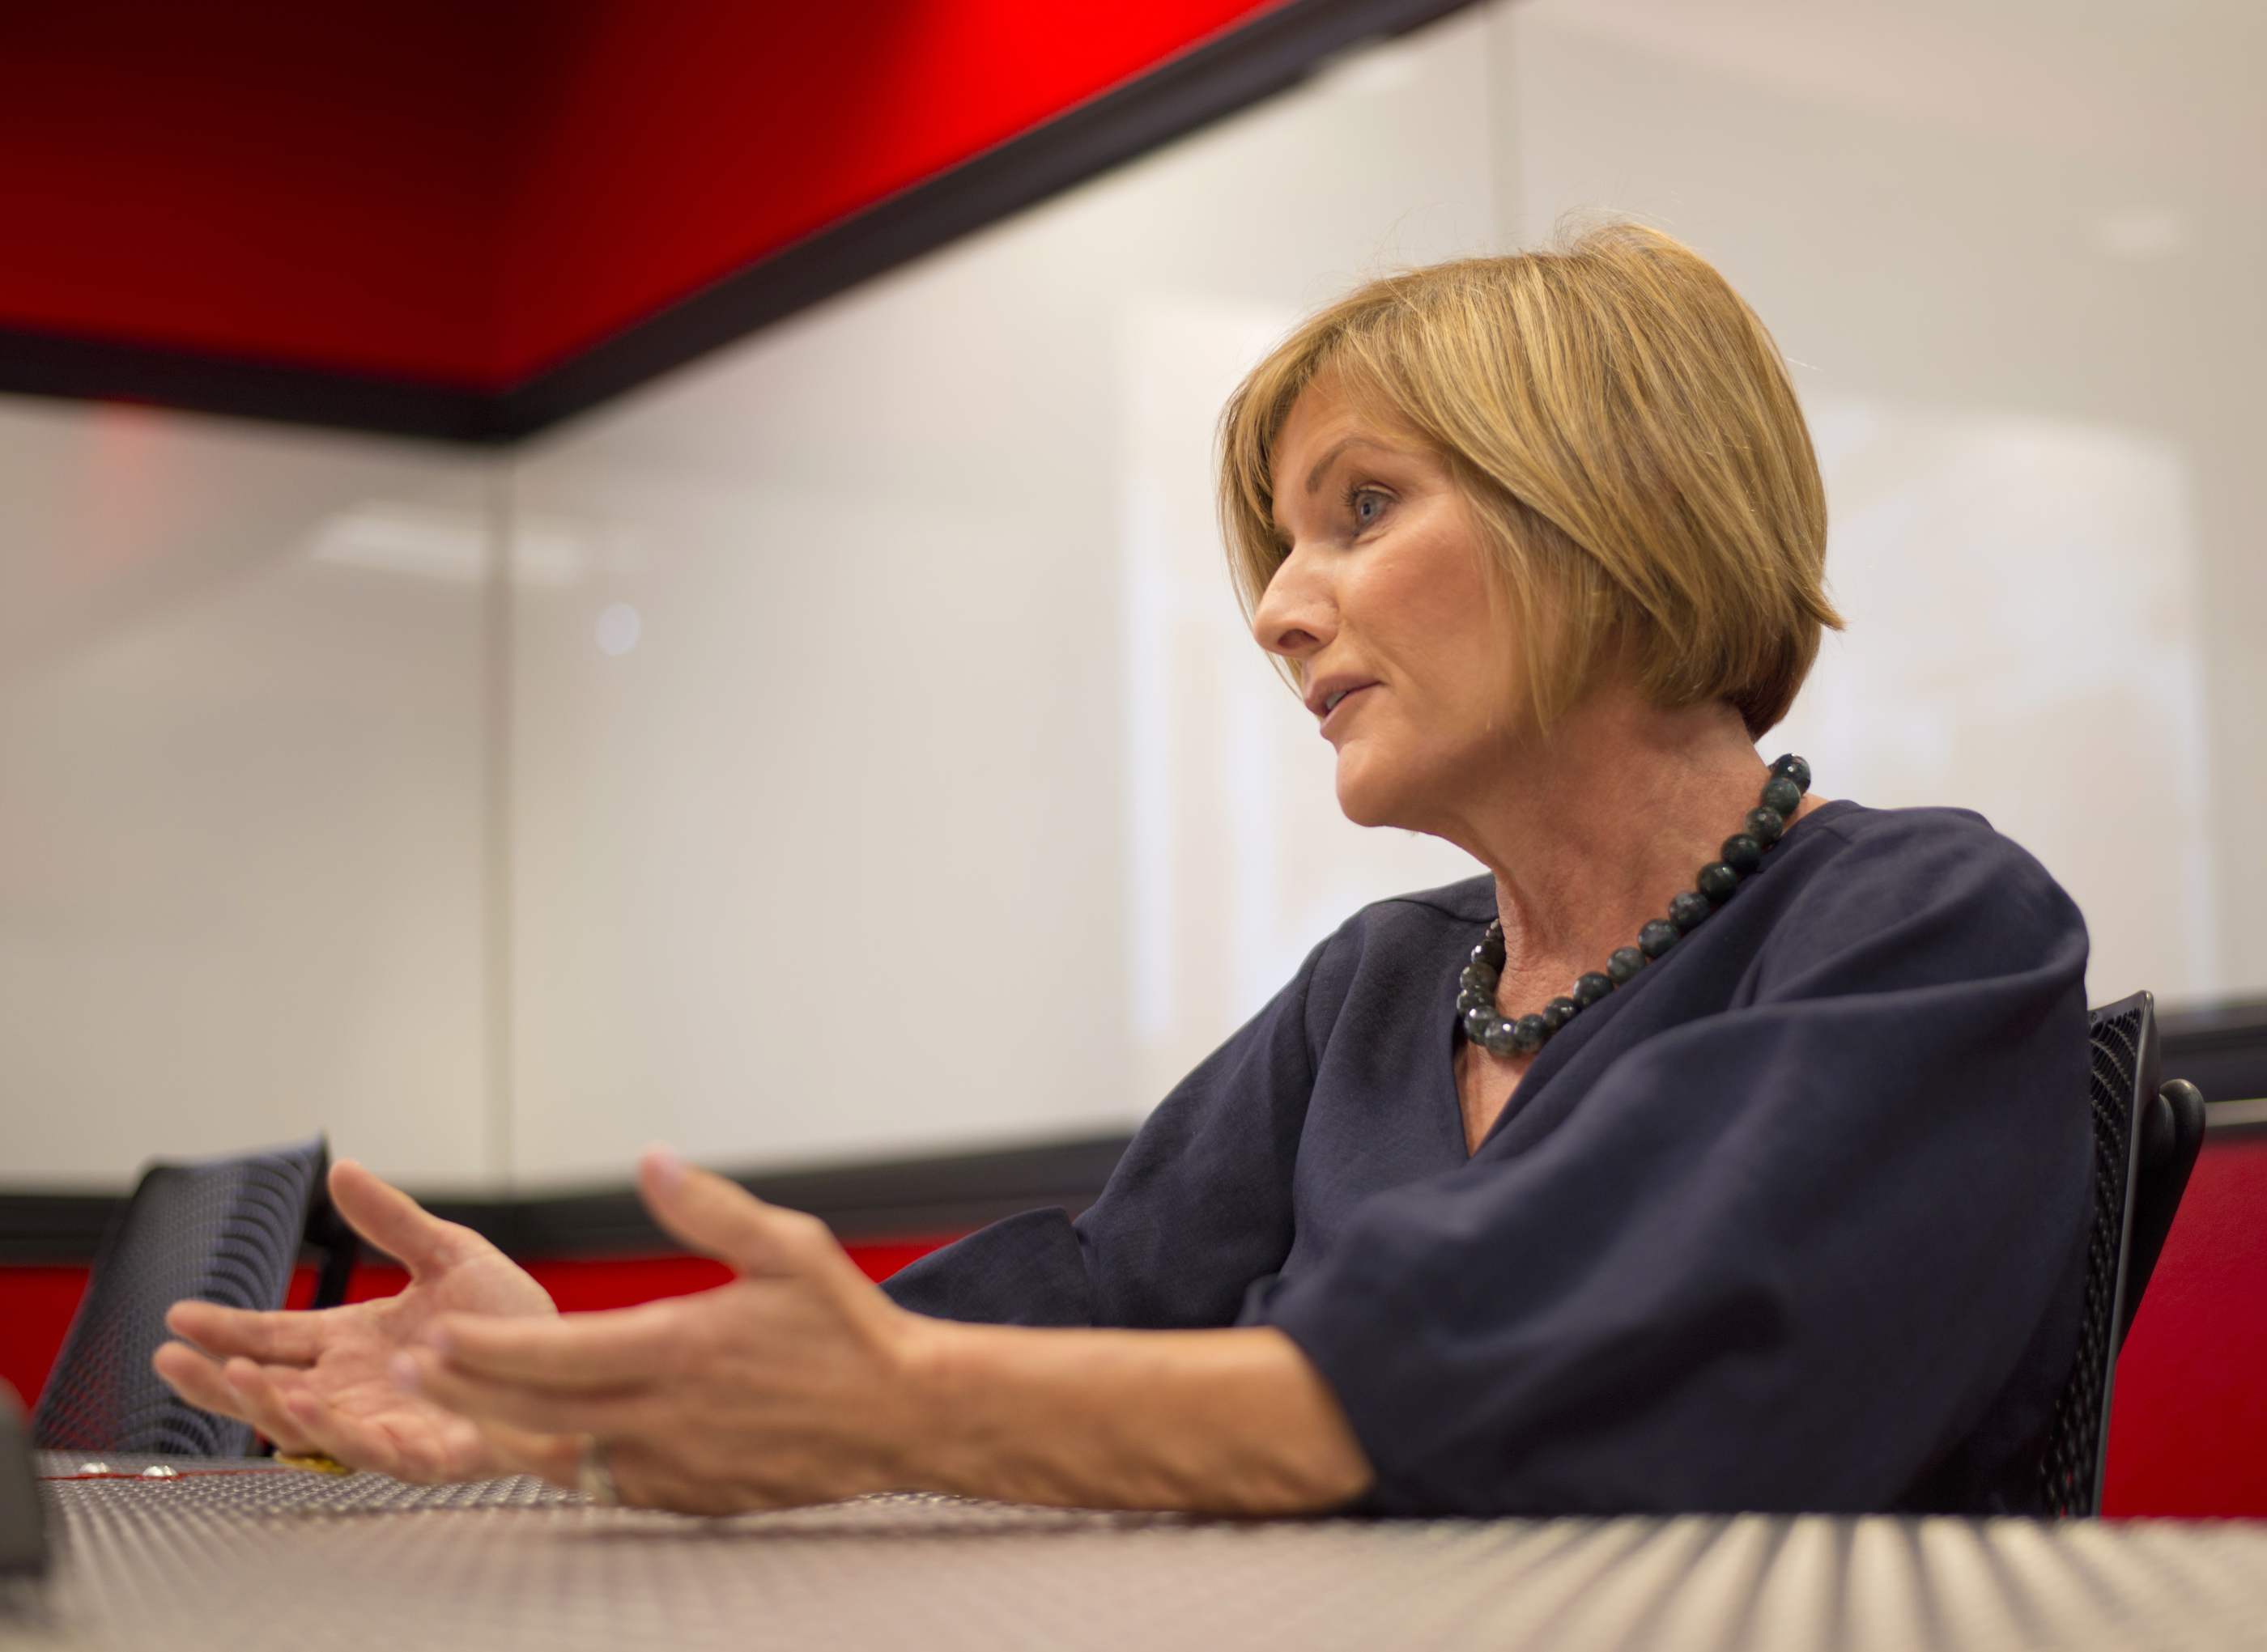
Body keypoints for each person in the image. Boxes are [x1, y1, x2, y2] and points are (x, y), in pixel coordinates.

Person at [155, 223, 2091, 1518]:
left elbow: (1619, 1374)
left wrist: (896, 1401)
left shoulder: (1922, 922)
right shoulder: (1383, 984)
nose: (1274, 608)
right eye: (1272, 542)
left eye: (1360, 509)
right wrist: (579, 1378)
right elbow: (1092, 1301)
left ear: (1624, 506)